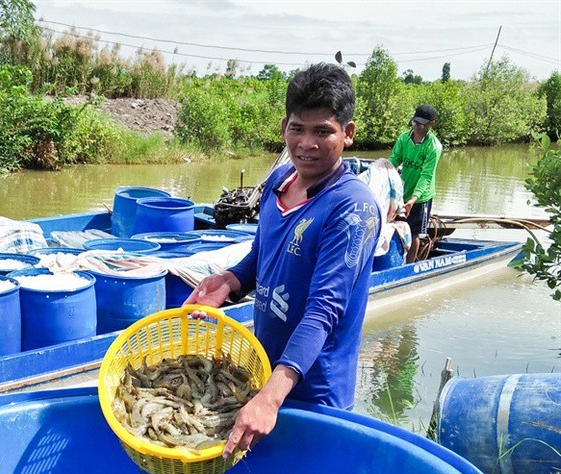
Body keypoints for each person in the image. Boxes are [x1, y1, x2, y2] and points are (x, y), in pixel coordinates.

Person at [185, 63, 380, 459]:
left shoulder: (352, 208)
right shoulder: (279, 181)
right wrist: (230, 280)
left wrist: (271, 399)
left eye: (322, 131)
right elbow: (262, 256)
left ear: (348, 133)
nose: (306, 143)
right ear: (283, 128)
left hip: (315, 390)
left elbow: (323, 311)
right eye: (297, 128)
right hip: (261, 374)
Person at [388, 104, 443, 263]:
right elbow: (395, 159)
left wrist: (413, 199)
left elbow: (426, 176)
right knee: (397, 226)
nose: (416, 126)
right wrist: (383, 168)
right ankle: (396, 260)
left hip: (420, 197)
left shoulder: (433, 147)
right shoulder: (404, 138)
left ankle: (409, 267)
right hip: (403, 191)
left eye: (421, 124)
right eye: (414, 122)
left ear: (431, 124)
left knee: (414, 233)